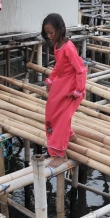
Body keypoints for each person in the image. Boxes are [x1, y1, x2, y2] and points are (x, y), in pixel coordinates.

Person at [42, 14, 86, 168]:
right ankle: (69, 135)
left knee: (62, 117)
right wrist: (50, 80)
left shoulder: (68, 48)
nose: (49, 36)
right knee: (52, 112)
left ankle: (59, 153)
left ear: (60, 30)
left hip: (72, 89)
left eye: (51, 33)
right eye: (46, 33)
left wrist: (79, 90)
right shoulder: (57, 47)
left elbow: (81, 69)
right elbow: (58, 67)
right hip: (61, 85)